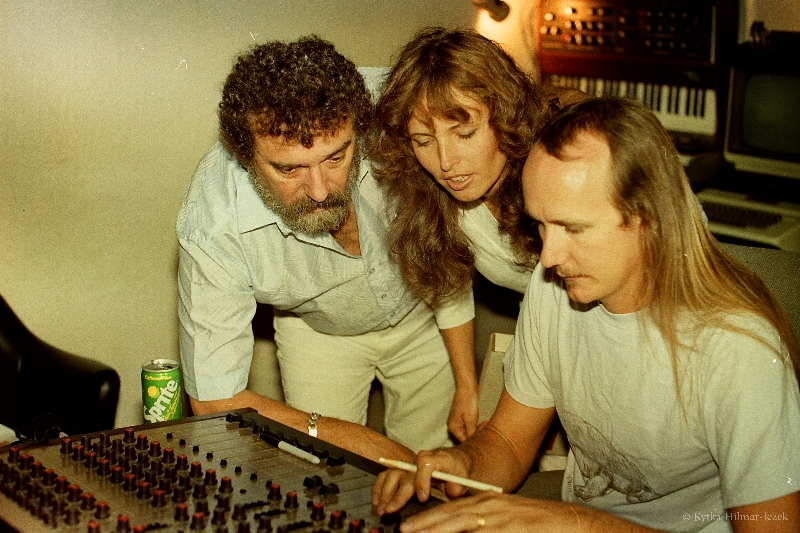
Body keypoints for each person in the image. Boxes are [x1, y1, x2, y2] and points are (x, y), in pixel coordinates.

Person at [372, 97, 800, 532]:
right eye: (541, 225)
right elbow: (510, 440)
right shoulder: (551, 286)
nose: (550, 255)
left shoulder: (741, 350)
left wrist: (582, 524)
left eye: (573, 228)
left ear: (648, 218)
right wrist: (461, 462)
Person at [176, 36, 478, 460]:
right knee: (322, 472)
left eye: (336, 157)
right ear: (245, 157)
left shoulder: (394, 102)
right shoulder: (211, 222)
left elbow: (506, 103)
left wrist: (468, 382)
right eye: (289, 168)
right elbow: (213, 399)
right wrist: (362, 442)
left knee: (442, 475)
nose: (319, 191)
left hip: (423, 309)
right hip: (316, 332)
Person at [371, 27, 583, 305]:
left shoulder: (562, 171)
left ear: (507, 115)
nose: (446, 162)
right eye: (423, 141)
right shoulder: (433, 192)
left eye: (465, 134)